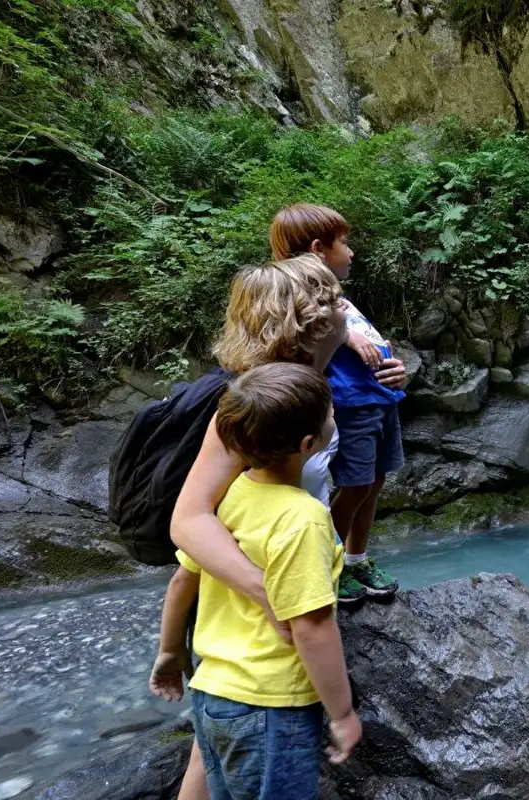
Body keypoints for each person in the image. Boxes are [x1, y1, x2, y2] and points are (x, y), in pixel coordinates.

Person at [150, 254, 350, 800]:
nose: (344, 308)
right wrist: (269, 592)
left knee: (207, 753)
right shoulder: (257, 401)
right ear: (308, 322)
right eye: (334, 300)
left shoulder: (303, 381)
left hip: (273, 583)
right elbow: (189, 520)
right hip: (261, 606)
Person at [270, 203, 406, 604]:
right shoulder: (300, 293)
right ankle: (331, 562)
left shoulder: (339, 296)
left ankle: (356, 558)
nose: (351, 252)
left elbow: (371, 344)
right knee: (357, 482)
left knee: (375, 481)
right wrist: (347, 336)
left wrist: (396, 368)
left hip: (379, 399)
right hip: (350, 406)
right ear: (317, 249)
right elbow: (312, 327)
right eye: (344, 243)